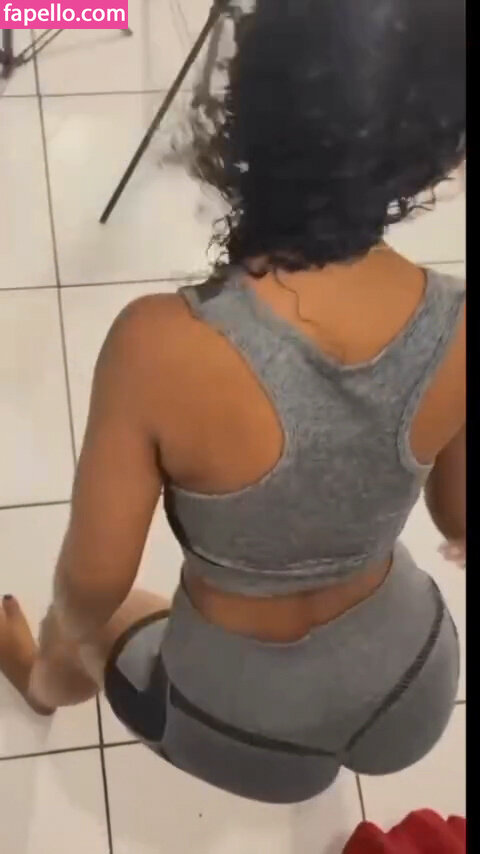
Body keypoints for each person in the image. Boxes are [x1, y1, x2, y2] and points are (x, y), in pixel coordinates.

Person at [0, 0, 465, 803]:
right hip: (415, 688)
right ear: (432, 152)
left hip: (244, 728)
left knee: (95, 623)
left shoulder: (158, 343)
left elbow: (93, 585)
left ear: (241, 112)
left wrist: (60, 642)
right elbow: (457, 516)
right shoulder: (457, 318)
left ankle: (35, 682)